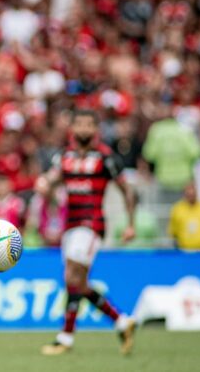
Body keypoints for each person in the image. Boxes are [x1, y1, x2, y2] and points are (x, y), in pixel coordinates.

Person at [36, 109, 137, 356]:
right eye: (78, 123)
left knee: (72, 277)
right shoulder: (64, 157)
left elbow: (127, 191)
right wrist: (45, 187)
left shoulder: (106, 158)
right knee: (77, 283)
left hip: (92, 224)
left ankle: (66, 338)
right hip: (70, 225)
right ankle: (122, 321)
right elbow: (51, 182)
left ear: (95, 130)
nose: (83, 128)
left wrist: (130, 224)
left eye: (87, 124)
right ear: (72, 129)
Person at [168, 182, 200, 250]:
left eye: (193, 192)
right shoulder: (177, 209)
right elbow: (173, 232)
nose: (191, 194)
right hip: (184, 252)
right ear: (184, 194)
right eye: (188, 193)